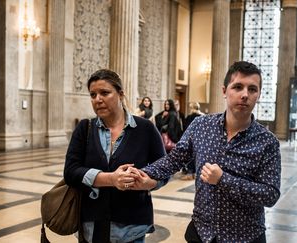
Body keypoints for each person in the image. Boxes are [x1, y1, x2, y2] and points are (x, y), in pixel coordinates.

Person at [130, 61, 281, 242]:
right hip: (202, 233)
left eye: (252, 89)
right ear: (224, 91)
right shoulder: (201, 126)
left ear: (259, 95)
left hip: (244, 236)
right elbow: (174, 160)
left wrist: (223, 179)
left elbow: (270, 194)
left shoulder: (267, 142)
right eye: (238, 87)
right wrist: (142, 173)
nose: (244, 95)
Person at [63, 69, 167, 243]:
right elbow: (71, 172)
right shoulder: (85, 128)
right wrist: (111, 179)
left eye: (104, 93)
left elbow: (164, 168)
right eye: (93, 94)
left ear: (120, 94)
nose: (98, 99)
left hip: (132, 227)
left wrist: (149, 184)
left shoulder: (145, 129)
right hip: (92, 225)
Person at [180, 101, 204, 180]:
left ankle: (190, 173)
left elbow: (186, 129)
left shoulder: (190, 117)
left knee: (190, 156)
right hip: (201, 139)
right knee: (198, 156)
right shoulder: (203, 116)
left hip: (191, 139)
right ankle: (197, 173)